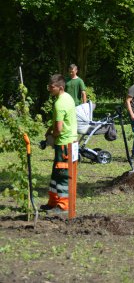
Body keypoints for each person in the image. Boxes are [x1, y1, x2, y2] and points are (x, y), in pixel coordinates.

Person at [40, 74, 77, 214]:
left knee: (62, 173)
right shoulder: (67, 97)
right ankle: (53, 202)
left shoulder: (59, 103)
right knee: (56, 173)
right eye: (49, 85)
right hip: (68, 142)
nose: (49, 88)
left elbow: (59, 128)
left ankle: (63, 205)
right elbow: (58, 121)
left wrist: (51, 136)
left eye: (52, 86)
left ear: (60, 87)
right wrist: (50, 129)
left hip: (64, 144)